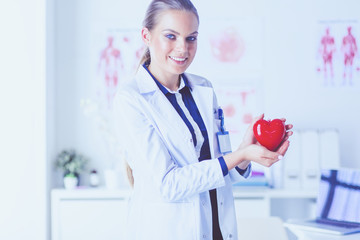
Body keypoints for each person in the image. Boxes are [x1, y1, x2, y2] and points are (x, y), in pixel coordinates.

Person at [113, 0, 292, 239]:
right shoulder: (131, 99)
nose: (182, 48)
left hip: (217, 230)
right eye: (171, 36)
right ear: (146, 35)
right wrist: (237, 156)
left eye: (191, 38)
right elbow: (168, 184)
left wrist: (245, 153)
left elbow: (220, 170)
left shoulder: (203, 88)